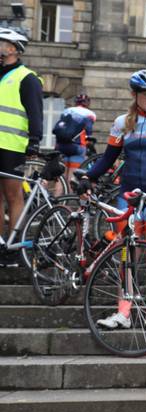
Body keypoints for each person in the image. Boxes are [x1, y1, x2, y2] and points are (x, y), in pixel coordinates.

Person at [80, 70, 146, 329]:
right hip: (128, 198)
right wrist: (88, 177)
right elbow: (107, 158)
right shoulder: (122, 123)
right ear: (134, 95)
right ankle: (123, 312)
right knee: (127, 255)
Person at [0, 28, 42, 266]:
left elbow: (35, 113)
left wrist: (34, 141)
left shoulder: (27, 78)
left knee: (13, 195)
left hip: (12, 146)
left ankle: (14, 245)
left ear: (13, 48)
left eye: (2, 42)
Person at [53, 93, 96, 196]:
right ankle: (67, 205)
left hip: (61, 146)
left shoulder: (66, 111)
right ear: (88, 103)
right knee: (71, 178)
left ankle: (54, 205)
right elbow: (88, 135)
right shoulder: (90, 114)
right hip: (76, 147)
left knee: (61, 178)